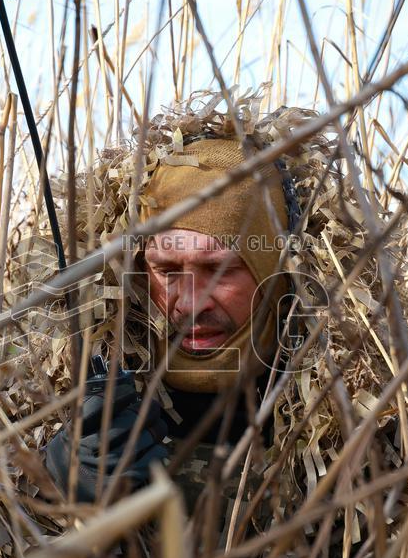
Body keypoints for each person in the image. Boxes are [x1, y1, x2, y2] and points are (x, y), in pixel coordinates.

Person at [44, 137, 295, 507]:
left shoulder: (334, 402)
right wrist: (59, 487)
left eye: (219, 269)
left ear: (275, 268)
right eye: (168, 270)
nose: (190, 304)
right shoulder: (92, 388)